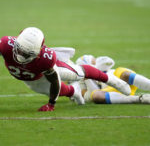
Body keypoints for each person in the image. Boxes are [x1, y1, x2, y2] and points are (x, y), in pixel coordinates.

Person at [0, 27, 131, 111]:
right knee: (60, 91)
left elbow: (55, 81)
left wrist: (51, 104)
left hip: (42, 70)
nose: (21, 55)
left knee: (78, 73)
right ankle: (75, 92)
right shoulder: (5, 44)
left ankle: (113, 81)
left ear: (39, 51)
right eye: (20, 50)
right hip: (31, 79)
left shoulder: (45, 59)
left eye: (27, 53)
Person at [76, 55, 150, 104]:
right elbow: (89, 96)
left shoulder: (105, 68)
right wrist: (88, 78)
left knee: (124, 74)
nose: (95, 61)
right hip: (111, 92)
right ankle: (141, 99)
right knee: (96, 96)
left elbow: (109, 61)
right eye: (92, 61)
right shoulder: (81, 81)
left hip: (121, 81)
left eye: (94, 60)